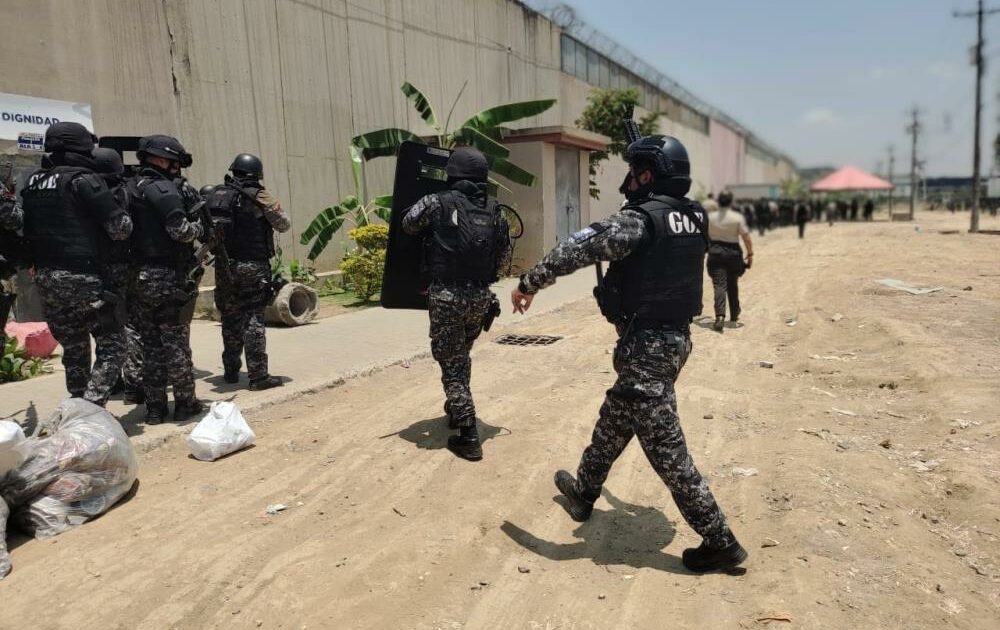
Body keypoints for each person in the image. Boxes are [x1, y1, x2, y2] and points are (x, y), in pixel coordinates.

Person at [510, 134, 747, 573]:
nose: (629, 181)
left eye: (636, 171)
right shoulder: (692, 215)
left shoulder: (640, 221)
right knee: (616, 417)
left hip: (649, 349)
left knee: (668, 453)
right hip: (672, 340)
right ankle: (584, 491)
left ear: (649, 174)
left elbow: (578, 246)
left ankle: (720, 539)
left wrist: (529, 282)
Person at [401, 147, 510, 462]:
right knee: (460, 356)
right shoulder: (495, 210)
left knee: (452, 364)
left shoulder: (437, 202)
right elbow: (502, 261)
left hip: (447, 296)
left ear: (453, 174)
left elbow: (408, 224)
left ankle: (468, 433)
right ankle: (455, 407)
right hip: (480, 297)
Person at [18, 122, 131, 406]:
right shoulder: (85, 181)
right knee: (114, 344)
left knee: (74, 346)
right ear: (80, 148)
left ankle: (77, 404)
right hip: (84, 276)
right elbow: (120, 228)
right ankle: (91, 406)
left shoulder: (33, 183)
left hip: (46, 277)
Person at [126, 135, 205, 424]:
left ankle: (155, 409)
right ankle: (185, 403)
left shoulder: (129, 188)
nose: (175, 168)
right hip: (166, 276)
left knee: (150, 346)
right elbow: (181, 232)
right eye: (172, 161)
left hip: (137, 278)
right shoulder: (164, 189)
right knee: (175, 343)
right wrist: (198, 227)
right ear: (159, 159)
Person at [206, 153, 290, 391]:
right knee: (253, 317)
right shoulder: (258, 195)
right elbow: (283, 224)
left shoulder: (218, 195)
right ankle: (258, 376)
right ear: (255, 173)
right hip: (252, 265)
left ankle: (231, 370)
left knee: (230, 317)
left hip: (224, 265)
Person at [92, 147, 144, 404]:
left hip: (91, 270)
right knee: (129, 325)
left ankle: (110, 382)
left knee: (103, 328)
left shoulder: (83, 194)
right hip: (122, 268)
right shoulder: (122, 194)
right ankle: (134, 385)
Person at [706, 190, 753, 331]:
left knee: (720, 285)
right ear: (731, 202)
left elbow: (704, 234)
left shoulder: (710, 217)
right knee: (732, 283)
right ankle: (734, 314)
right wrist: (750, 254)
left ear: (718, 201)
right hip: (733, 254)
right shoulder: (737, 218)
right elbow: (746, 237)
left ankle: (720, 316)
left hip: (715, 252)